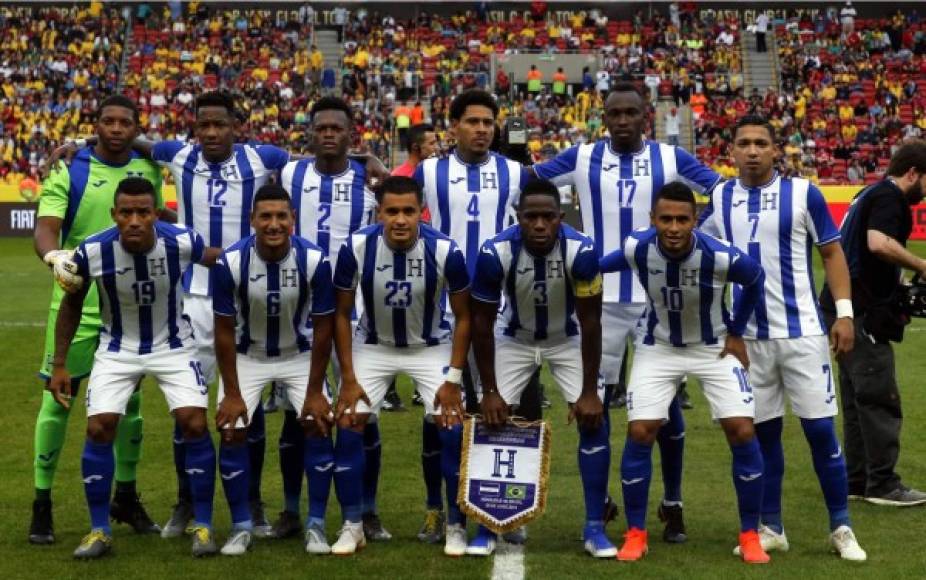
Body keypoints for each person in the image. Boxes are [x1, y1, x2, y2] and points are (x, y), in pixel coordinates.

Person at [531, 82, 722, 542]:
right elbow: (529, 182)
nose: (621, 121)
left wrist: (699, 242)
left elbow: (722, 191)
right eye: (613, 113)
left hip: (660, 299)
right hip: (598, 300)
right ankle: (598, 506)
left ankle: (672, 503)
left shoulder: (672, 159)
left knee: (668, 406)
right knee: (590, 403)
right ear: (602, 116)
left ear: (645, 116)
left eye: (630, 113)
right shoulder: (579, 158)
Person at [699, 115, 867, 560]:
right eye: (743, 143)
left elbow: (831, 253)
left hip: (802, 335)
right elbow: (697, 251)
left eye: (760, 143)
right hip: (747, 341)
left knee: (820, 432)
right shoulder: (719, 197)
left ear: (777, 150)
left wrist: (844, 314)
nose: (752, 151)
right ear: (730, 151)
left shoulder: (803, 193)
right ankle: (771, 526)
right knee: (763, 436)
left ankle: (841, 527)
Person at [48, 177, 221, 558]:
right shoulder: (92, 251)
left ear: (156, 213)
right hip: (116, 347)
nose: (135, 220)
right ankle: (99, 531)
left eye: (143, 211)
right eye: (126, 212)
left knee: (194, 421)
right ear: (114, 214)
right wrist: (59, 364)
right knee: (98, 427)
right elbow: (71, 305)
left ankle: (204, 524)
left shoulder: (181, 241)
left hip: (174, 344)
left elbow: (220, 260)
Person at [599, 182, 770, 564]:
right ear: (653, 220)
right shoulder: (637, 247)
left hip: (713, 347)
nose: (673, 227)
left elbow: (755, 278)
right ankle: (636, 532)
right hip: (657, 347)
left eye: (682, 219)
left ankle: (749, 535)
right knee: (641, 430)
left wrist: (739, 331)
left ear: (695, 221)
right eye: (666, 219)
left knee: (742, 429)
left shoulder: (718, 255)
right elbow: (593, 266)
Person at [30, 95, 163, 544]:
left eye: (126, 122)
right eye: (107, 121)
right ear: (97, 124)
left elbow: (159, 221)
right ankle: (41, 504)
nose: (116, 128)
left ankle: (124, 497)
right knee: (58, 399)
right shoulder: (70, 167)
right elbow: (46, 225)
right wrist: (54, 256)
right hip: (76, 306)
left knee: (132, 407)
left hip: (129, 307)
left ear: (136, 127)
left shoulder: (151, 169)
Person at [322, 176, 472, 556]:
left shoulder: (445, 250)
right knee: (349, 421)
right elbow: (340, 314)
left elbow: (465, 317)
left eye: (409, 211)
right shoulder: (357, 246)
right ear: (379, 212)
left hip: (430, 346)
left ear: (420, 212)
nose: (400, 219)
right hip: (373, 347)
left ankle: (456, 524)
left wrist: (453, 378)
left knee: (452, 425)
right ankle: (353, 524)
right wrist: (349, 377)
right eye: (392, 211)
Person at [470, 180, 612, 558]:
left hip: (565, 338)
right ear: (518, 219)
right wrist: (490, 391)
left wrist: (587, 392)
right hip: (513, 338)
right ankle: (488, 524)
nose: (538, 225)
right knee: (490, 420)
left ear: (560, 218)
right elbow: (481, 325)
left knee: (596, 419)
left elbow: (592, 323)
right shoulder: (494, 252)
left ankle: (595, 527)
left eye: (547, 217)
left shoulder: (581, 252)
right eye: (530, 217)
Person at [413, 89, 528, 546]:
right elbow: (391, 207)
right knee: (439, 416)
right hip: (443, 312)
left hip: (501, 311)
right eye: (473, 121)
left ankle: (505, 508)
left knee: (503, 411)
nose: (482, 129)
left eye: (489, 122)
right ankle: (435, 510)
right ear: (454, 125)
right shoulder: (428, 171)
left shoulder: (515, 172)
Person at [277, 97, 387, 543]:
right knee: (297, 413)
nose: (327, 133)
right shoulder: (289, 174)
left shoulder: (370, 179)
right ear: (309, 133)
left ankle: (367, 510)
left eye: (336, 128)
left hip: (353, 312)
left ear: (350, 133)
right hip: (300, 309)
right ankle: (289, 509)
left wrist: (371, 160)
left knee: (362, 413)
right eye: (319, 127)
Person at [211, 184, 335, 555]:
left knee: (318, 423)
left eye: (281, 216)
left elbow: (325, 328)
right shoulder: (230, 263)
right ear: (252, 220)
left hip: (298, 355)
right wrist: (232, 394)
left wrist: (315, 392)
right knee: (232, 430)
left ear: (293, 220)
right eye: (265, 216)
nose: (274, 224)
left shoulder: (314, 260)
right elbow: (222, 331)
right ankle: (241, 526)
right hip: (247, 357)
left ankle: (315, 524)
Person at [820, 139, 926, 507]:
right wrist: (922, 265)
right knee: (879, 394)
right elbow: (878, 243)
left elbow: (864, 252)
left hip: (841, 305)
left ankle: (858, 478)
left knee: (855, 397)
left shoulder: (868, 193)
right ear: (913, 173)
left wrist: (897, 284)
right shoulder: (889, 198)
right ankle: (883, 483)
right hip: (858, 310)